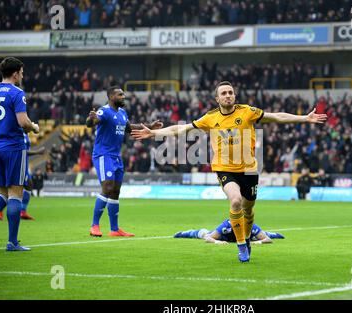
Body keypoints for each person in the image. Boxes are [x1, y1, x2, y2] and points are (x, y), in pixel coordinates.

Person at [131, 81, 327, 262]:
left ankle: (246, 238)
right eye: (223, 93)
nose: (227, 96)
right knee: (235, 201)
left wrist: (304, 118)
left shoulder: (247, 112)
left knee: (248, 209)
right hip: (225, 169)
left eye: (230, 93)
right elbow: (180, 129)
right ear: (217, 99)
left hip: (249, 169)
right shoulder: (210, 118)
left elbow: (276, 117)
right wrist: (154, 133)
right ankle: (242, 246)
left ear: (235, 96)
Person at [86, 86, 163, 237]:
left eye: (123, 94)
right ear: (111, 97)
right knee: (107, 187)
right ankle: (94, 225)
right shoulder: (104, 110)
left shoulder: (122, 113)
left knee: (115, 191)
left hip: (116, 156)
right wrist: (91, 118)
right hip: (103, 155)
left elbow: (129, 128)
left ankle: (114, 229)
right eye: (120, 94)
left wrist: (149, 126)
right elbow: (92, 121)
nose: (123, 96)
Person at [0, 57, 40, 251]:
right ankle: (12, 242)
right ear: (14, 73)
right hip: (13, 147)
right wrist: (34, 127)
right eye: (21, 72)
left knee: (2, 194)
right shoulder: (17, 93)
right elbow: (23, 122)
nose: (22, 75)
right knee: (15, 194)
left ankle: (13, 242)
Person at [0, 132, 45, 221]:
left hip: (21, 163)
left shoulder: (24, 134)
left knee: (28, 185)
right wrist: (37, 152)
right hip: (17, 164)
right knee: (14, 191)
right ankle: (4, 210)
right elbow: (21, 151)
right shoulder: (18, 134)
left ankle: (21, 211)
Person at [174, 219, 285, 244]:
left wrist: (257, 242)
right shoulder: (226, 225)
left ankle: (274, 233)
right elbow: (208, 239)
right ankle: (186, 233)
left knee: (259, 236)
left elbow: (268, 240)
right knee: (205, 234)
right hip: (225, 238)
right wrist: (218, 242)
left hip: (246, 237)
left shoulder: (250, 225)